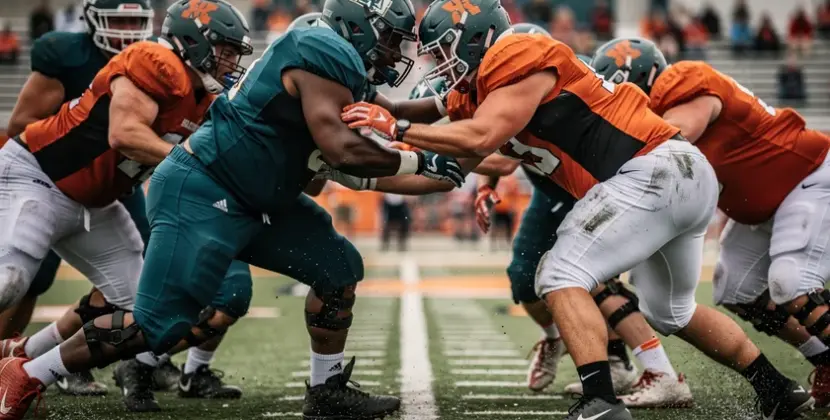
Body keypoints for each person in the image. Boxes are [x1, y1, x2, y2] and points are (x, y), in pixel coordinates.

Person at [340, 2, 812, 418]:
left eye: (446, 48)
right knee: (672, 310)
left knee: (558, 273)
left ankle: (600, 401)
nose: (440, 62)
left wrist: (395, 124)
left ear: (479, 38)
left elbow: (478, 135)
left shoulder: (517, 51)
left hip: (649, 170)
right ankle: (776, 388)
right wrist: (359, 173)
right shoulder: (482, 94)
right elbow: (443, 170)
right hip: (679, 176)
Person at [0, 0, 465, 419]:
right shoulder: (321, 50)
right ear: (357, 26)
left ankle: (326, 390)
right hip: (205, 190)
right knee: (158, 325)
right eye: (386, 37)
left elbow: (396, 116)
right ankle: (30, 372)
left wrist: (459, 106)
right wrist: (421, 157)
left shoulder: (341, 69)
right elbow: (343, 149)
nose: (392, 51)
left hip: (255, 197)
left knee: (337, 267)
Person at [0, 0, 255, 417]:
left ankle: (22, 355)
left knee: (144, 312)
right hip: (38, 177)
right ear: (193, 42)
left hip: (97, 202)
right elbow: (125, 134)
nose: (230, 61)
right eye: (224, 49)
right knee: (9, 282)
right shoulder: (156, 61)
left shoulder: (204, 96)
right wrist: (196, 167)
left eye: (234, 52)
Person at [595, 35, 830, 412]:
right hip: (762, 206)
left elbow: (676, 135)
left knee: (792, 283)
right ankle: (823, 357)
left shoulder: (683, 81)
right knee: (735, 289)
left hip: (807, 178)